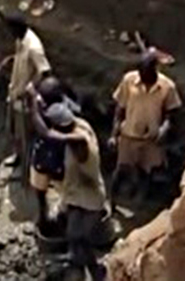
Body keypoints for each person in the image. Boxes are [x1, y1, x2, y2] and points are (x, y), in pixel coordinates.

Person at [47, 106, 110, 279]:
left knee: (80, 237)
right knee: (71, 230)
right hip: (76, 195)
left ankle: (95, 269)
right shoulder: (81, 124)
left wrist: (47, 131)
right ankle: (76, 259)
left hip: (91, 200)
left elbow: (57, 137)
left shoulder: (80, 143)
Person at [110, 50, 181, 200]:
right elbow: (120, 108)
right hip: (128, 135)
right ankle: (111, 202)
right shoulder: (129, 80)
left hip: (151, 139)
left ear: (156, 70)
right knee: (121, 170)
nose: (145, 79)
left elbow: (171, 114)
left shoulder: (167, 87)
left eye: (148, 75)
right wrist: (113, 135)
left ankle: (139, 200)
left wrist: (163, 129)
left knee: (146, 171)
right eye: (142, 75)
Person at [3, 15, 51, 179]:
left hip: (24, 98)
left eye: (10, 30)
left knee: (24, 134)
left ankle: (25, 169)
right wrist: (10, 60)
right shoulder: (20, 39)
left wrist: (31, 87)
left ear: (18, 28)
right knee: (13, 129)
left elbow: (45, 72)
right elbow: (21, 57)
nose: (9, 33)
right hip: (14, 91)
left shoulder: (34, 47)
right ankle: (17, 157)